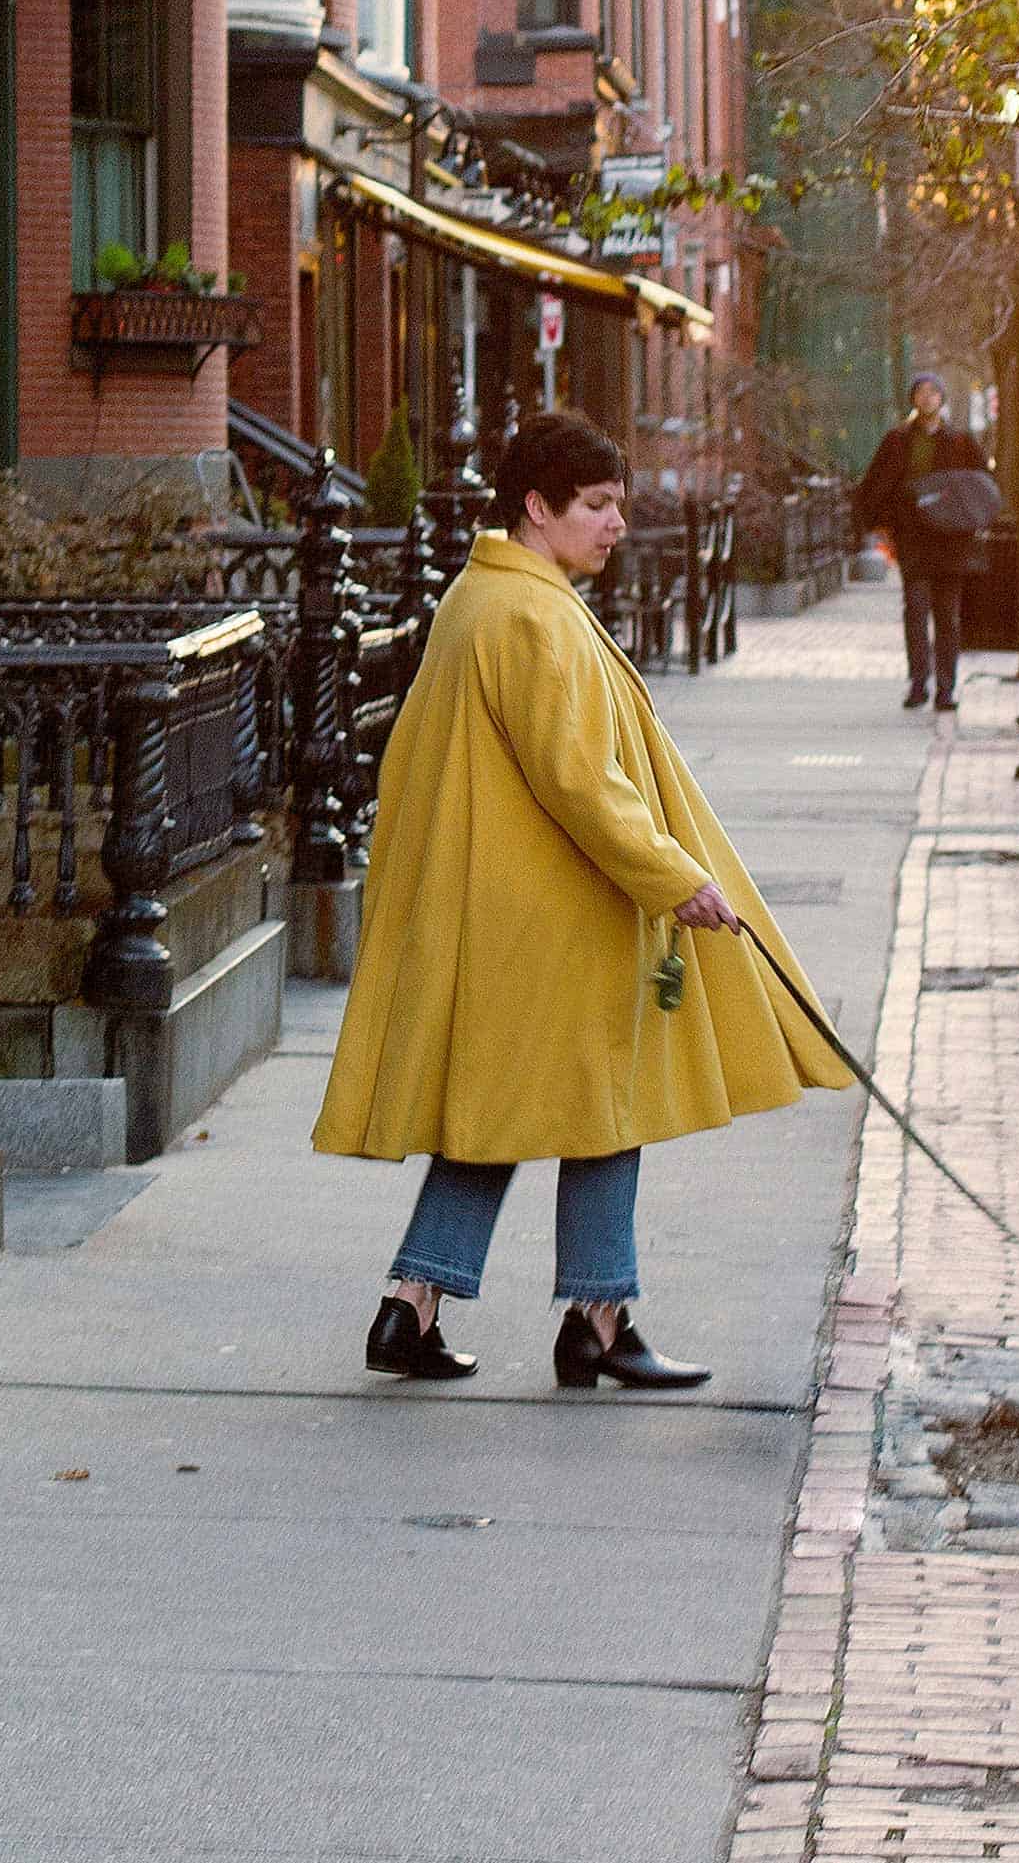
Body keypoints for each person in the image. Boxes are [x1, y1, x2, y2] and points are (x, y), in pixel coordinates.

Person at [316, 408, 851, 1387]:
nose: (614, 523)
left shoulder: (490, 596)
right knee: (608, 1105)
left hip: (511, 914)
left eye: (617, 504)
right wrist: (674, 876)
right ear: (537, 505)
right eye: (597, 505)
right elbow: (578, 779)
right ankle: (596, 1322)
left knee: (501, 1112)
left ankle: (413, 1305)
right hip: (553, 916)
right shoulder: (529, 613)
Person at [856, 374, 990, 710]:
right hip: (914, 538)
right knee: (915, 609)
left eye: (933, 392)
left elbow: (981, 486)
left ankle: (946, 688)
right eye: (921, 392)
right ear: (913, 399)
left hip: (950, 540)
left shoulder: (960, 441)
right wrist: (881, 522)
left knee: (947, 615)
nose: (927, 398)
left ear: (942, 398)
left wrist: (972, 522)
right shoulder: (898, 440)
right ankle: (919, 683)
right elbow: (877, 483)